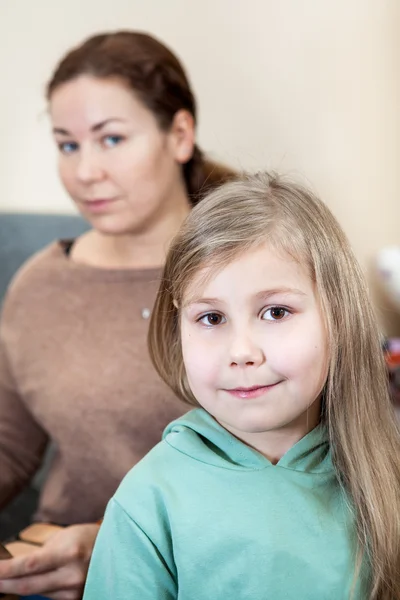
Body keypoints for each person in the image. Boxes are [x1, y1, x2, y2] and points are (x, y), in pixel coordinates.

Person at [83, 173, 400, 599]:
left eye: (275, 312)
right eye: (211, 318)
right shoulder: (149, 501)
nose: (241, 351)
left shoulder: (384, 473)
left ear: (338, 318)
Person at [0, 31, 234, 599]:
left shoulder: (248, 278)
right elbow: (8, 445)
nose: (85, 172)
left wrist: (116, 546)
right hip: (51, 574)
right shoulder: (40, 283)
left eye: (110, 139)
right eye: (68, 145)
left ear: (180, 135)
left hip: (212, 575)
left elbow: (310, 471)